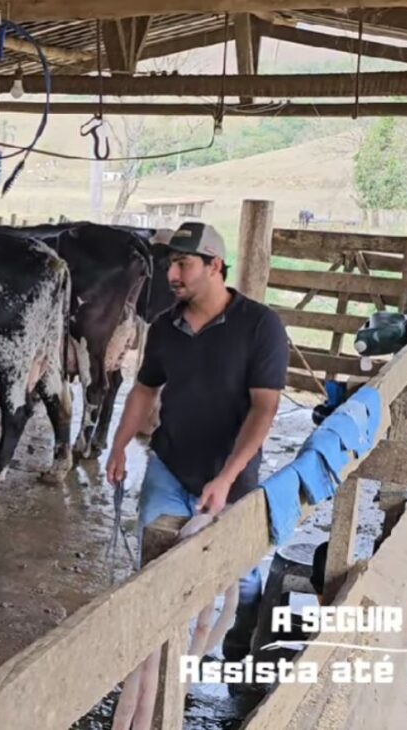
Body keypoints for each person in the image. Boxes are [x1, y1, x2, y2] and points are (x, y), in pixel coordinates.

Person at [105, 220, 289, 662]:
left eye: (183, 264)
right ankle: (157, 664)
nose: (172, 274)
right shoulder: (165, 327)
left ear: (215, 265)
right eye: (170, 264)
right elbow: (145, 389)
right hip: (170, 463)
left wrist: (226, 477)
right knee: (155, 561)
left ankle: (240, 643)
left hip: (231, 472)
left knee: (238, 575)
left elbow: (264, 408)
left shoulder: (260, 326)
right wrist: (119, 444)